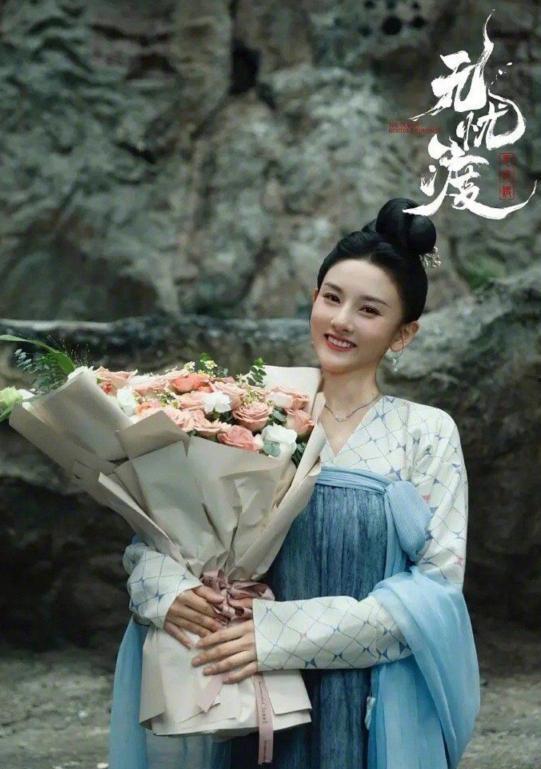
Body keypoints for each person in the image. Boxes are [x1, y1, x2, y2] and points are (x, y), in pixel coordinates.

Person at [109, 197, 480, 769]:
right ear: (313, 298)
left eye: (369, 310)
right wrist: (171, 594)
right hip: (250, 698)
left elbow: (435, 594)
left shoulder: (425, 432)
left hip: (368, 707)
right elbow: (159, 535)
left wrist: (276, 635)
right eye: (332, 298)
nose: (342, 321)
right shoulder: (245, 412)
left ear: (403, 334)